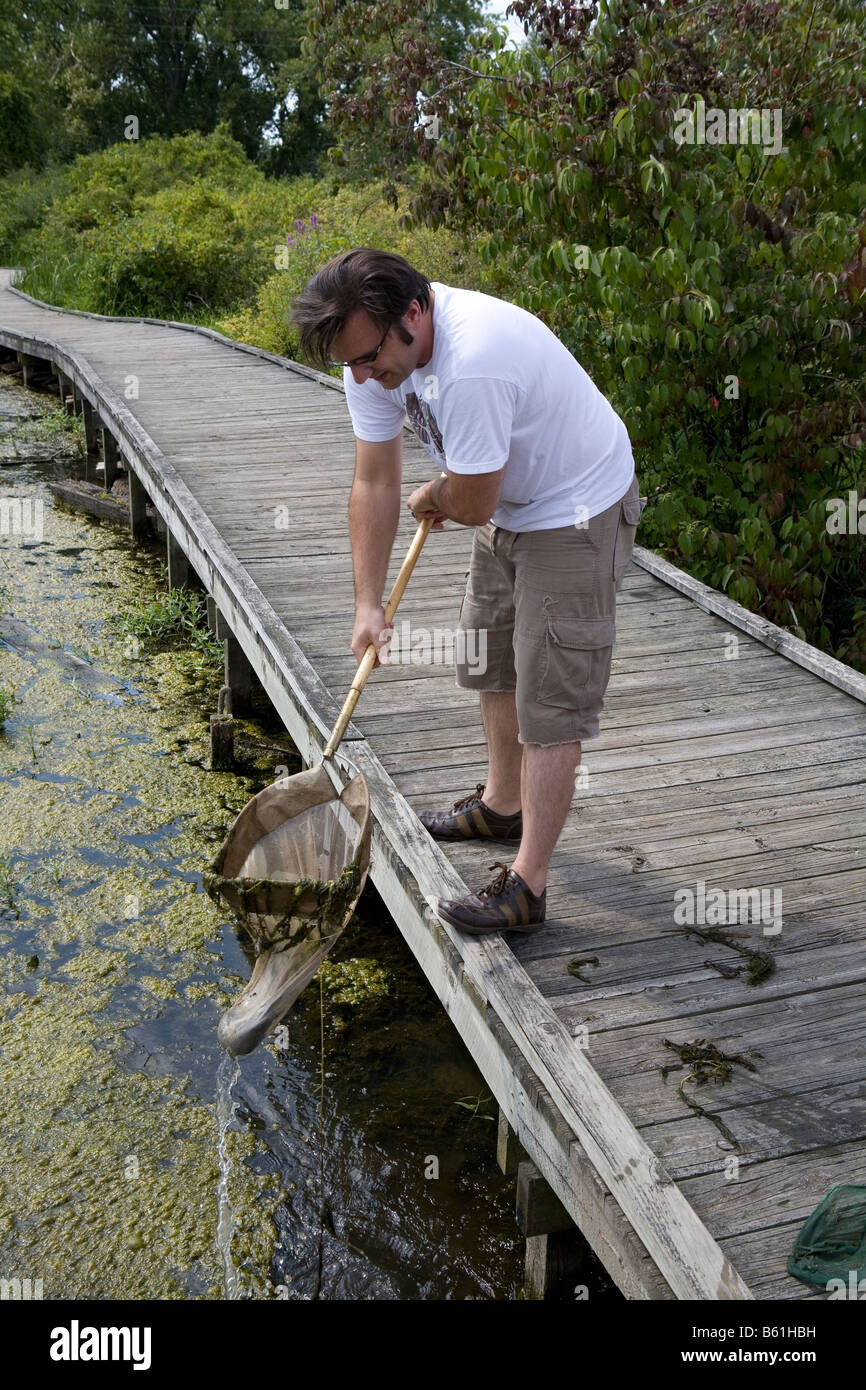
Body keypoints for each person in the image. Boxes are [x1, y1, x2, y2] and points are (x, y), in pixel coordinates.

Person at [291, 248, 645, 936]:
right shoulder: (365, 356)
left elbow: (473, 499)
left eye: (370, 358)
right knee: (490, 656)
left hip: (576, 503)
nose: (364, 376)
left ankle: (528, 886)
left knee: (551, 698)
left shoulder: (472, 361)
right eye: (350, 364)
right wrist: (368, 604)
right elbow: (374, 482)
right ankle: (500, 803)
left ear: (413, 315)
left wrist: (437, 492)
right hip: (509, 497)